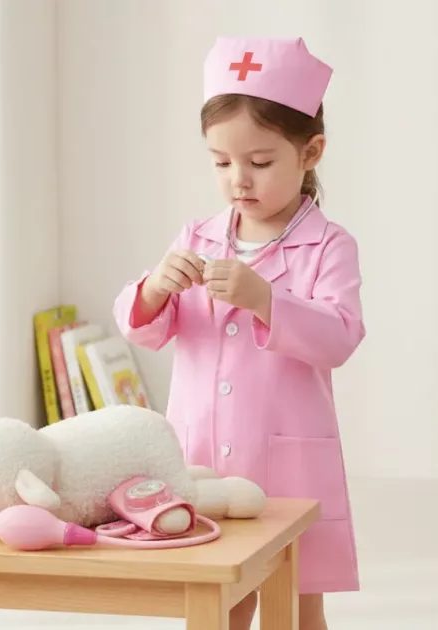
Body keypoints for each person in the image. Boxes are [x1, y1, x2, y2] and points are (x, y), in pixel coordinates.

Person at [112, 36, 365, 630]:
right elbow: (144, 327)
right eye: (221, 163)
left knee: (295, 601)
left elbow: (340, 337)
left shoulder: (328, 246)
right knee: (216, 599)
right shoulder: (197, 235)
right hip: (203, 457)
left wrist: (266, 300)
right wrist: (155, 288)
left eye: (260, 162)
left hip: (286, 463)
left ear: (310, 153)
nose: (238, 180)